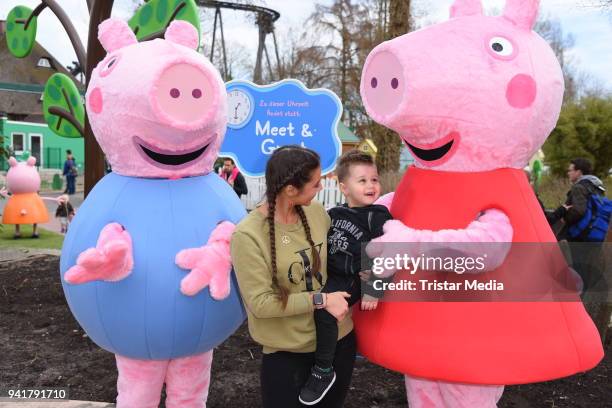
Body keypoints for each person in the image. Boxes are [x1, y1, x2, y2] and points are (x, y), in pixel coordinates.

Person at [231, 145, 355, 408]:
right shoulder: (248, 235)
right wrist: (321, 300)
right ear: (290, 190)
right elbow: (261, 304)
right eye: (315, 183)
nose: (321, 188)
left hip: (337, 344)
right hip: (288, 354)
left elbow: (346, 256)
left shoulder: (317, 212)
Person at [298, 150, 393, 405]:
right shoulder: (336, 213)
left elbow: (389, 250)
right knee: (308, 302)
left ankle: (323, 371)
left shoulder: (377, 216)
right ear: (344, 187)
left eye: (374, 179)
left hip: (354, 277)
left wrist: (374, 287)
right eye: (362, 180)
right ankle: (317, 353)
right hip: (331, 272)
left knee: (324, 311)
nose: (371, 185)